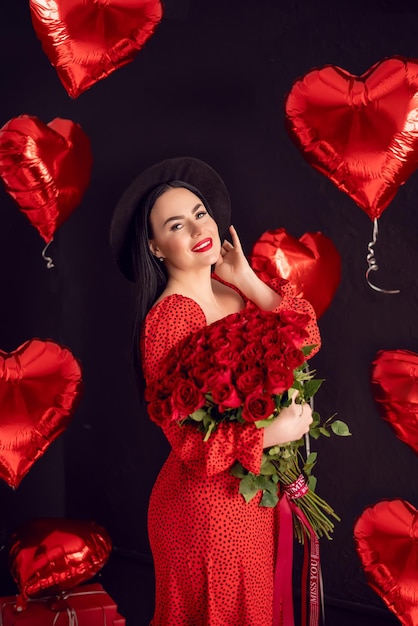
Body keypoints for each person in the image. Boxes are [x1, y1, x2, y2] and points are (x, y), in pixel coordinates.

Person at [110, 156, 321, 626]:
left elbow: (305, 339)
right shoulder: (169, 318)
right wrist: (274, 433)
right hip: (202, 510)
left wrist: (245, 276)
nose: (196, 228)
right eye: (176, 225)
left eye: (200, 213)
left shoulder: (232, 290)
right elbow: (186, 439)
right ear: (156, 248)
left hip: (249, 497)